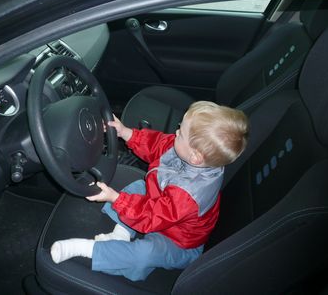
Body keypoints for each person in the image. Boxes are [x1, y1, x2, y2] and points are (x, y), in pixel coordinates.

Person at [50, 101, 249, 281]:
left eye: (181, 132)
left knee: (145, 254)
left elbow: (151, 215)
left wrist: (115, 198)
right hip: (166, 212)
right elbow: (158, 144)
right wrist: (125, 132)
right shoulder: (188, 152)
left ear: (196, 157)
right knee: (140, 187)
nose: (176, 132)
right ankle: (121, 234)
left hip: (179, 242)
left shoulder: (188, 196)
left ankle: (86, 249)